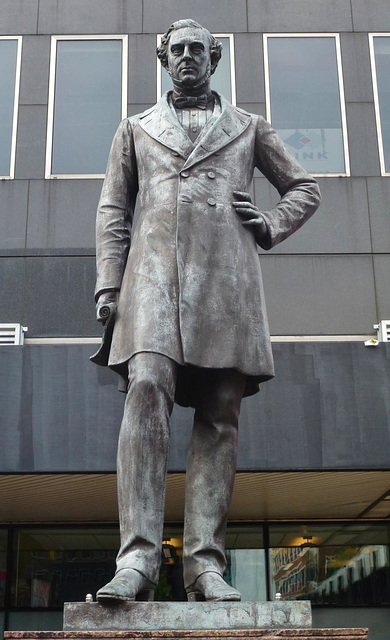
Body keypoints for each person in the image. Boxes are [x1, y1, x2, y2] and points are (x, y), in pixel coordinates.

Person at [92, 19, 321, 603]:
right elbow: (114, 210)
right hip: (151, 285)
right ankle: (136, 561)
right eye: (178, 49)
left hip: (226, 287)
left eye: (199, 48)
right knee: (146, 389)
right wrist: (107, 286)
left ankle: (204, 567)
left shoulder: (248, 127)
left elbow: (305, 188)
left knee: (220, 411)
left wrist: (269, 223)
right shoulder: (135, 128)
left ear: (214, 58)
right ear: (164, 59)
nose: (188, 57)